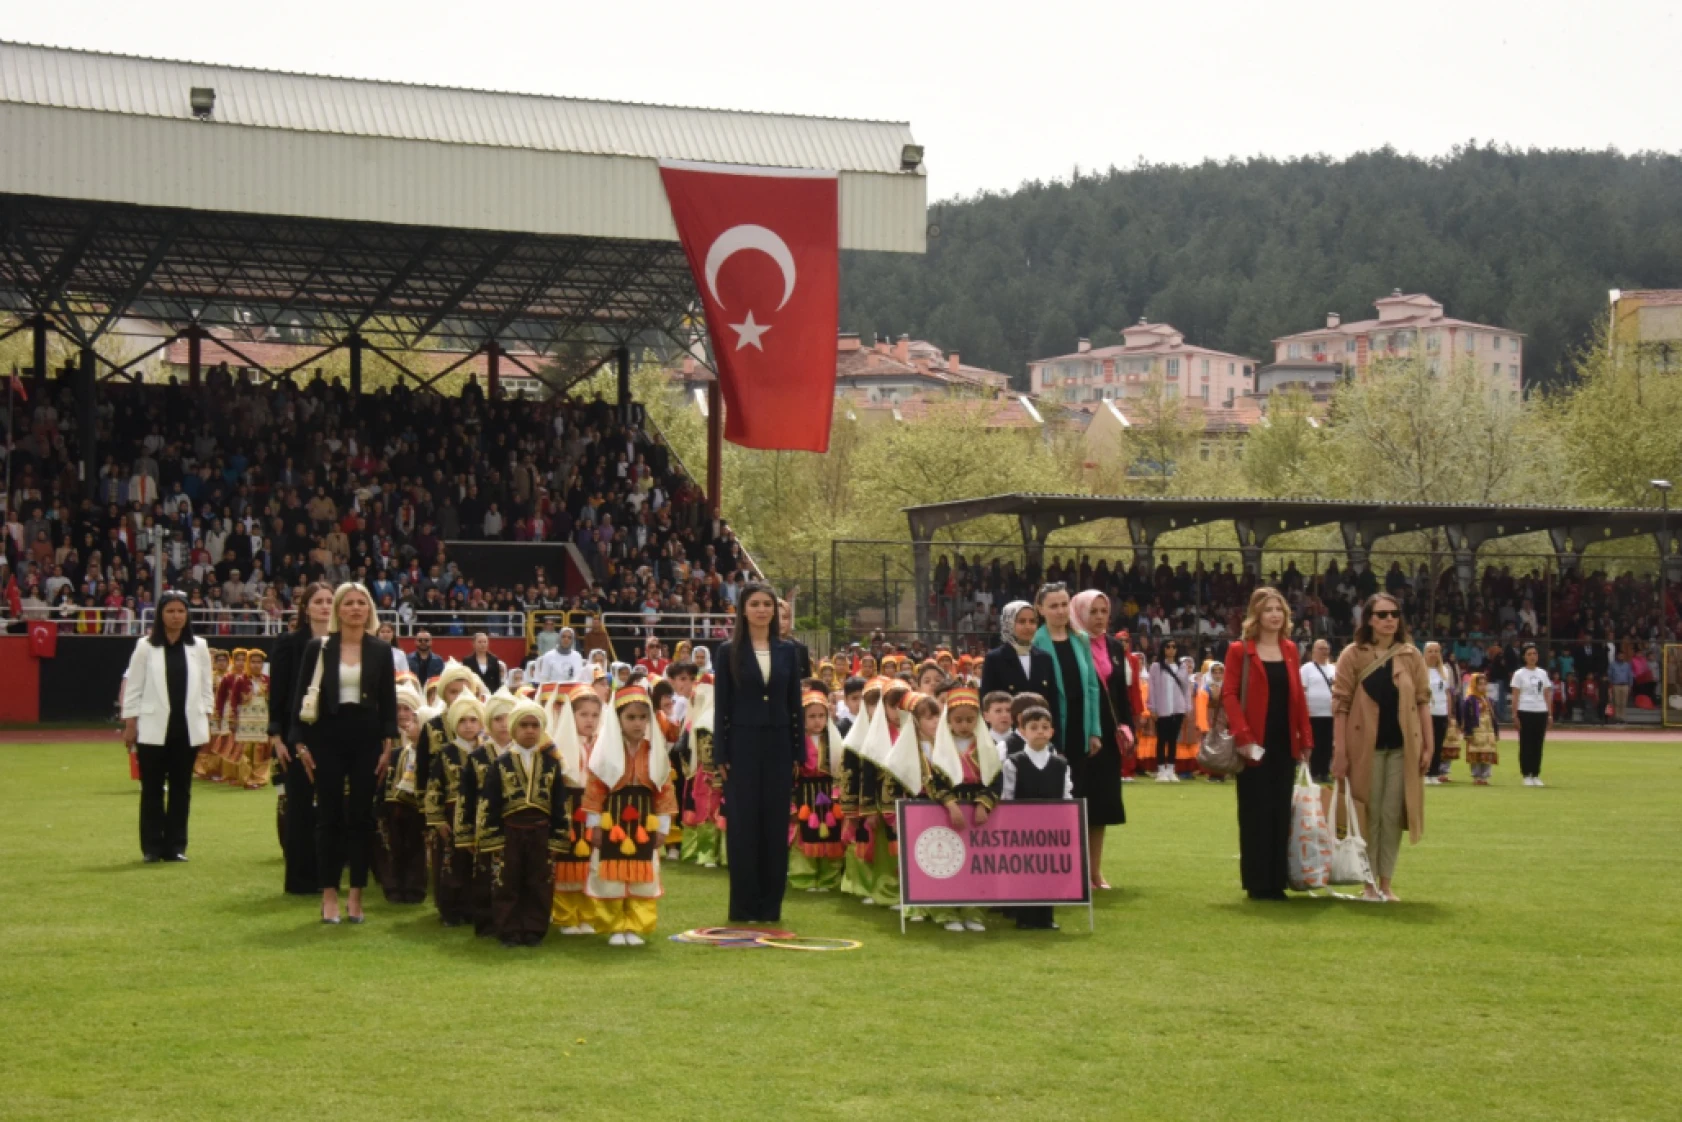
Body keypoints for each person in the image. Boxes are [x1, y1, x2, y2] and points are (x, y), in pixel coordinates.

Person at [289, 582, 401, 925]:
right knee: (328, 818)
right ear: (338, 610)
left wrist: (388, 745)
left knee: (362, 819)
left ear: (369, 610)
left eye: (361, 603)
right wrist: (299, 743)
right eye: (349, 603)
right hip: (327, 737)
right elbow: (300, 699)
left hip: (367, 739)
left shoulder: (381, 650)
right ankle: (329, 895)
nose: (355, 608)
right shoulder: (318, 648)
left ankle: (356, 895)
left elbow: (388, 705)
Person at [1331, 592, 1432, 904]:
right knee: (1367, 814)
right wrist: (1340, 750)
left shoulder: (1411, 655)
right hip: (1365, 747)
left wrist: (1429, 744)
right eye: (1382, 614)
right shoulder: (1353, 655)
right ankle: (1367, 883)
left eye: (1394, 614)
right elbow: (1341, 705)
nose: (1390, 620)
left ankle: (1386, 882)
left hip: (1403, 747)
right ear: (1369, 620)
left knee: (1392, 815)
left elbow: (1423, 700)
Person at [713, 583, 804, 924]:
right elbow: (722, 703)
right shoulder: (727, 652)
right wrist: (721, 751)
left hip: (780, 746)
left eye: (768, 604)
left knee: (775, 824)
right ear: (743, 610)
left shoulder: (788, 652)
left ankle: (770, 907)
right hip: (741, 746)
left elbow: (794, 703)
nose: (763, 610)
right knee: (743, 826)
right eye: (755, 604)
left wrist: (798, 751)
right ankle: (744, 906)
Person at [1222, 587, 1314, 902]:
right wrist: (1244, 736)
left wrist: (1306, 738)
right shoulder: (1240, 650)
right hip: (1253, 743)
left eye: (1279, 609)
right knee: (1254, 811)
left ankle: (1276, 880)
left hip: (1284, 740)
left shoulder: (1290, 649)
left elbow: (1298, 697)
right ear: (1256, 615)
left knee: (1279, 811)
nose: (1274, 614)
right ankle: (1257, 881)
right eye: (1268, 609)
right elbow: (1229, 695)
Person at [583, 684, 679, 946]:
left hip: (643, 821)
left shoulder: (655, 751)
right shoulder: (604, 752)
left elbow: (664, 790)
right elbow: (595, 790)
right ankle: (615, 926)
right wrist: (594, 826)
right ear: (618, 719)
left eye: (642, 717)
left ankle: (634, 926)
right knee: (610, 875)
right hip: (612, 819)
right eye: (631, 717)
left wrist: (662, 827)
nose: (638, 723)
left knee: (643, 874)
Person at [122, 591, 214, 863]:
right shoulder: (145, 647)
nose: (176, 616)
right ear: (160, 616)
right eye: (170, 611)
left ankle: (175, 846)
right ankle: (152, 847)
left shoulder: (199, 647)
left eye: (181, 611)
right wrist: (130, 723)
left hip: (187, 728)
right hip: (152, 728)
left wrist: (206, 719)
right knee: (151, 788)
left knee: (181, 789)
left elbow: (207, 688)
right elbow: (133, 687)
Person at [476, 698, 566, 947]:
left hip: (540, 831)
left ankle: (534, 930)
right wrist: (492, 836)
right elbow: (489, 802)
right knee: (507, 882)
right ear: (514, 729)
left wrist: (558, 837)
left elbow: (559, 803)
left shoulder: (551, 763)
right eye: (524, 725)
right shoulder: (500, 764)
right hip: (510, 832)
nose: (529, 730)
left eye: (535, 725)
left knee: (539, 882)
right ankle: (509, 931)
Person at [269, 580, 333, 895]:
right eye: (318, 601)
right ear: (306, 608)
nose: (324, 606)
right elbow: (278, 695)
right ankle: (300, 879)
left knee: (332, 809)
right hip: (296, 737)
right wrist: (277, 738)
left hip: (335, 739)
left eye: (329, 600)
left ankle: (329, 877)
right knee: (300, 808)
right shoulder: (289, 643)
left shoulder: (344, 644)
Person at [1067, 591, 1132, 891]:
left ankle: (1095, 872)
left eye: (1104, 611)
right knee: (1077, 803)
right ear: (1079, 611)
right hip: (1080, 734)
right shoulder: (1071, 644)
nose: (1099, 617)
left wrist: (1127, 727)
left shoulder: (1115, 646)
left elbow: (1122, 693)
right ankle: (1075, 872)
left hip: (1109, 736)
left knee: (1101, 807)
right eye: (1092, 611)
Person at [923, 685, 1002, 931]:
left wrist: (984, 804)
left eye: (970, 719)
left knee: (975, 864)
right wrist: (950, 805)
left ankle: (974, 910)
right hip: (947, 810)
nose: (964, 725)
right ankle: (946, 911)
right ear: (949, 720)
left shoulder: (985, 747)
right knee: (946, 861)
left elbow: (997, 779)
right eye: (959, 720)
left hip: (978, 810)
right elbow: (933, 781)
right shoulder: (939, 747)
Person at [1000, 705, 1069, 930]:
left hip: (1051, 828)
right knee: (1025, 871)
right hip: (1022, 828)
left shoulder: (1060, 764)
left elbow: (1067, 796)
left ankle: (1046, 917)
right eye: (1034, 727)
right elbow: (1007, 796)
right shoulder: (1014, 762)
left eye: (1044, 727)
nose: (1040, 731)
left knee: (1047, 870)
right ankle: (1025, 917)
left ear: (1051, 732)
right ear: (1023, 731)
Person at [427, 692, 485, 928]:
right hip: (451, 814)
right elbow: (433, 788)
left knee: (477, 862)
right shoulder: (445, 753)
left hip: (480, 813)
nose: (469, 726)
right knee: (451, 862)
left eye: (473, 720)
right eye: (462, 721)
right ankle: (450, 911)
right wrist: (438, 820)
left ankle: (475, 909)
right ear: (454, 724)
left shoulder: (486, 753)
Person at [551, 685, 606, 935]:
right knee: (567, 861)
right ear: (570, 716)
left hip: (594, 808)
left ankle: (588, 914)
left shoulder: (603, 746)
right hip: (569, 808)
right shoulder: (557, 749)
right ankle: (565, 915)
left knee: (591, 862)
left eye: (595, 715)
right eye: (584, 714)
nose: (590, 720)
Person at [788, 688, 846, 893]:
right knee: (803, 837)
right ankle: (804, 878)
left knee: (832, 836)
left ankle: (829, 879)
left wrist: (838, 796)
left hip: (829, 796)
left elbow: (841, 771)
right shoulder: (795, 743)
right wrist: (791, 804)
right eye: (811, 716)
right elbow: (788, 776)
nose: (817, 721)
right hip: (804, 795)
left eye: (821, 716)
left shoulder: (834, 741)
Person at [378, 681, 429, 904]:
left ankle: (414, 889)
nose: (405, 718)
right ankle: (393, 887)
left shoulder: (428, 756)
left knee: (416, 850)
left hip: (417, 809)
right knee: (394, 848)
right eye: (397, 709)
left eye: (411, 713)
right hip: (394, 807)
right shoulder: (397, 752)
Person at [979, 600, 1058, 704]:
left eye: (1032, 621)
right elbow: (986, 702)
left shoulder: (1044, 658)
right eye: (1021, 621)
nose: (1028, 626)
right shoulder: (995, 659)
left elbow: (1053, 702)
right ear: (1009, 623)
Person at [1146, 638, 1191, 782]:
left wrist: (1187, 707)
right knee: (1162, 739)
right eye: (1168, 646)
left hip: (1177, 708)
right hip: (1162, 708)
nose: (1171, 649)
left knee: (1173, 740)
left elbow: (1186, 688)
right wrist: (1152, 708)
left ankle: (1171, 769)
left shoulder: (1181, 666)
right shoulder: (1156, 666)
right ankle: (1161, 770)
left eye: (1173, 646)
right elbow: (1151, 689)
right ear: (1163, 649)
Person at [1511, 644, 1554, 787]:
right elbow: (1515, 695)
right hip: (1525, 710)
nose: (1532, 656)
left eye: (1534, 653)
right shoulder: (1519, 674)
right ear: (1524, 656)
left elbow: (1547, 693)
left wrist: (1549, 714)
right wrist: (1515, 715)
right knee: (1525, 744)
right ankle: (1526, 774)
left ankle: (1536, 774)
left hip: (1540, 711)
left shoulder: (1542, 673)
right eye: (1529, 654)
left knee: (1538, 744)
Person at [1300, 638, 1337, 784]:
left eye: (1326, 649)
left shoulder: (1334, 669)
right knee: (1315, 743)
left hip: (1330, 713)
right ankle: (1314, 771)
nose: (1324, 652)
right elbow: (1302, 690)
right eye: (1321, 649)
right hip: (1312, 713)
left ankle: (1324, 772)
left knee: (1327, 744)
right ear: (1313, 651)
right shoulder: (1306, 668)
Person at [1423, 642, 1455, 786]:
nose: (1434, 654)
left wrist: (1449, 714)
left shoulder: (1445, 671)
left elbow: (1448, 693)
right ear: (1425, 653)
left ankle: (1434, 773)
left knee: (1438, 744)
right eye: (1430, 651)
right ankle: (1424, 772)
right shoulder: (1420, 670)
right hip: (1426, 712)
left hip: (1441, 712)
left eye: (1436, 651)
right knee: (1425, 744)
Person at [1461, 674, 1500, 785]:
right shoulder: (1470, 700)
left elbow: (1494, 717)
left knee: (1488, 752)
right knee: (1475, 752)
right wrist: (1468, 732)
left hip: (1488, 731)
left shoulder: (1488, 700)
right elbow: (1467, 717)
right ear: (1474, 685)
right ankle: (1476, 776)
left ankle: (1485, 776)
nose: (1483, 687)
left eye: (1484, 684)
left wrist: (1495, 731)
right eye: (1480, 684)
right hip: (1476, 731)